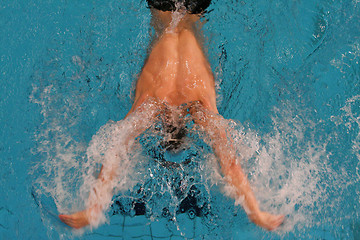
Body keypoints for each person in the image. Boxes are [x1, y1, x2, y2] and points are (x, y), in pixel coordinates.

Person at [59, 0, 284, 231]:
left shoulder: (197, 106)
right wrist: (93, 208)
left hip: (196, 9)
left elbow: (230, 163)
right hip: (162, 7)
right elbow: (117, 146)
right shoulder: (154, 102)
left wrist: (257, 211)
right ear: (162, 124)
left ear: (185, 123)